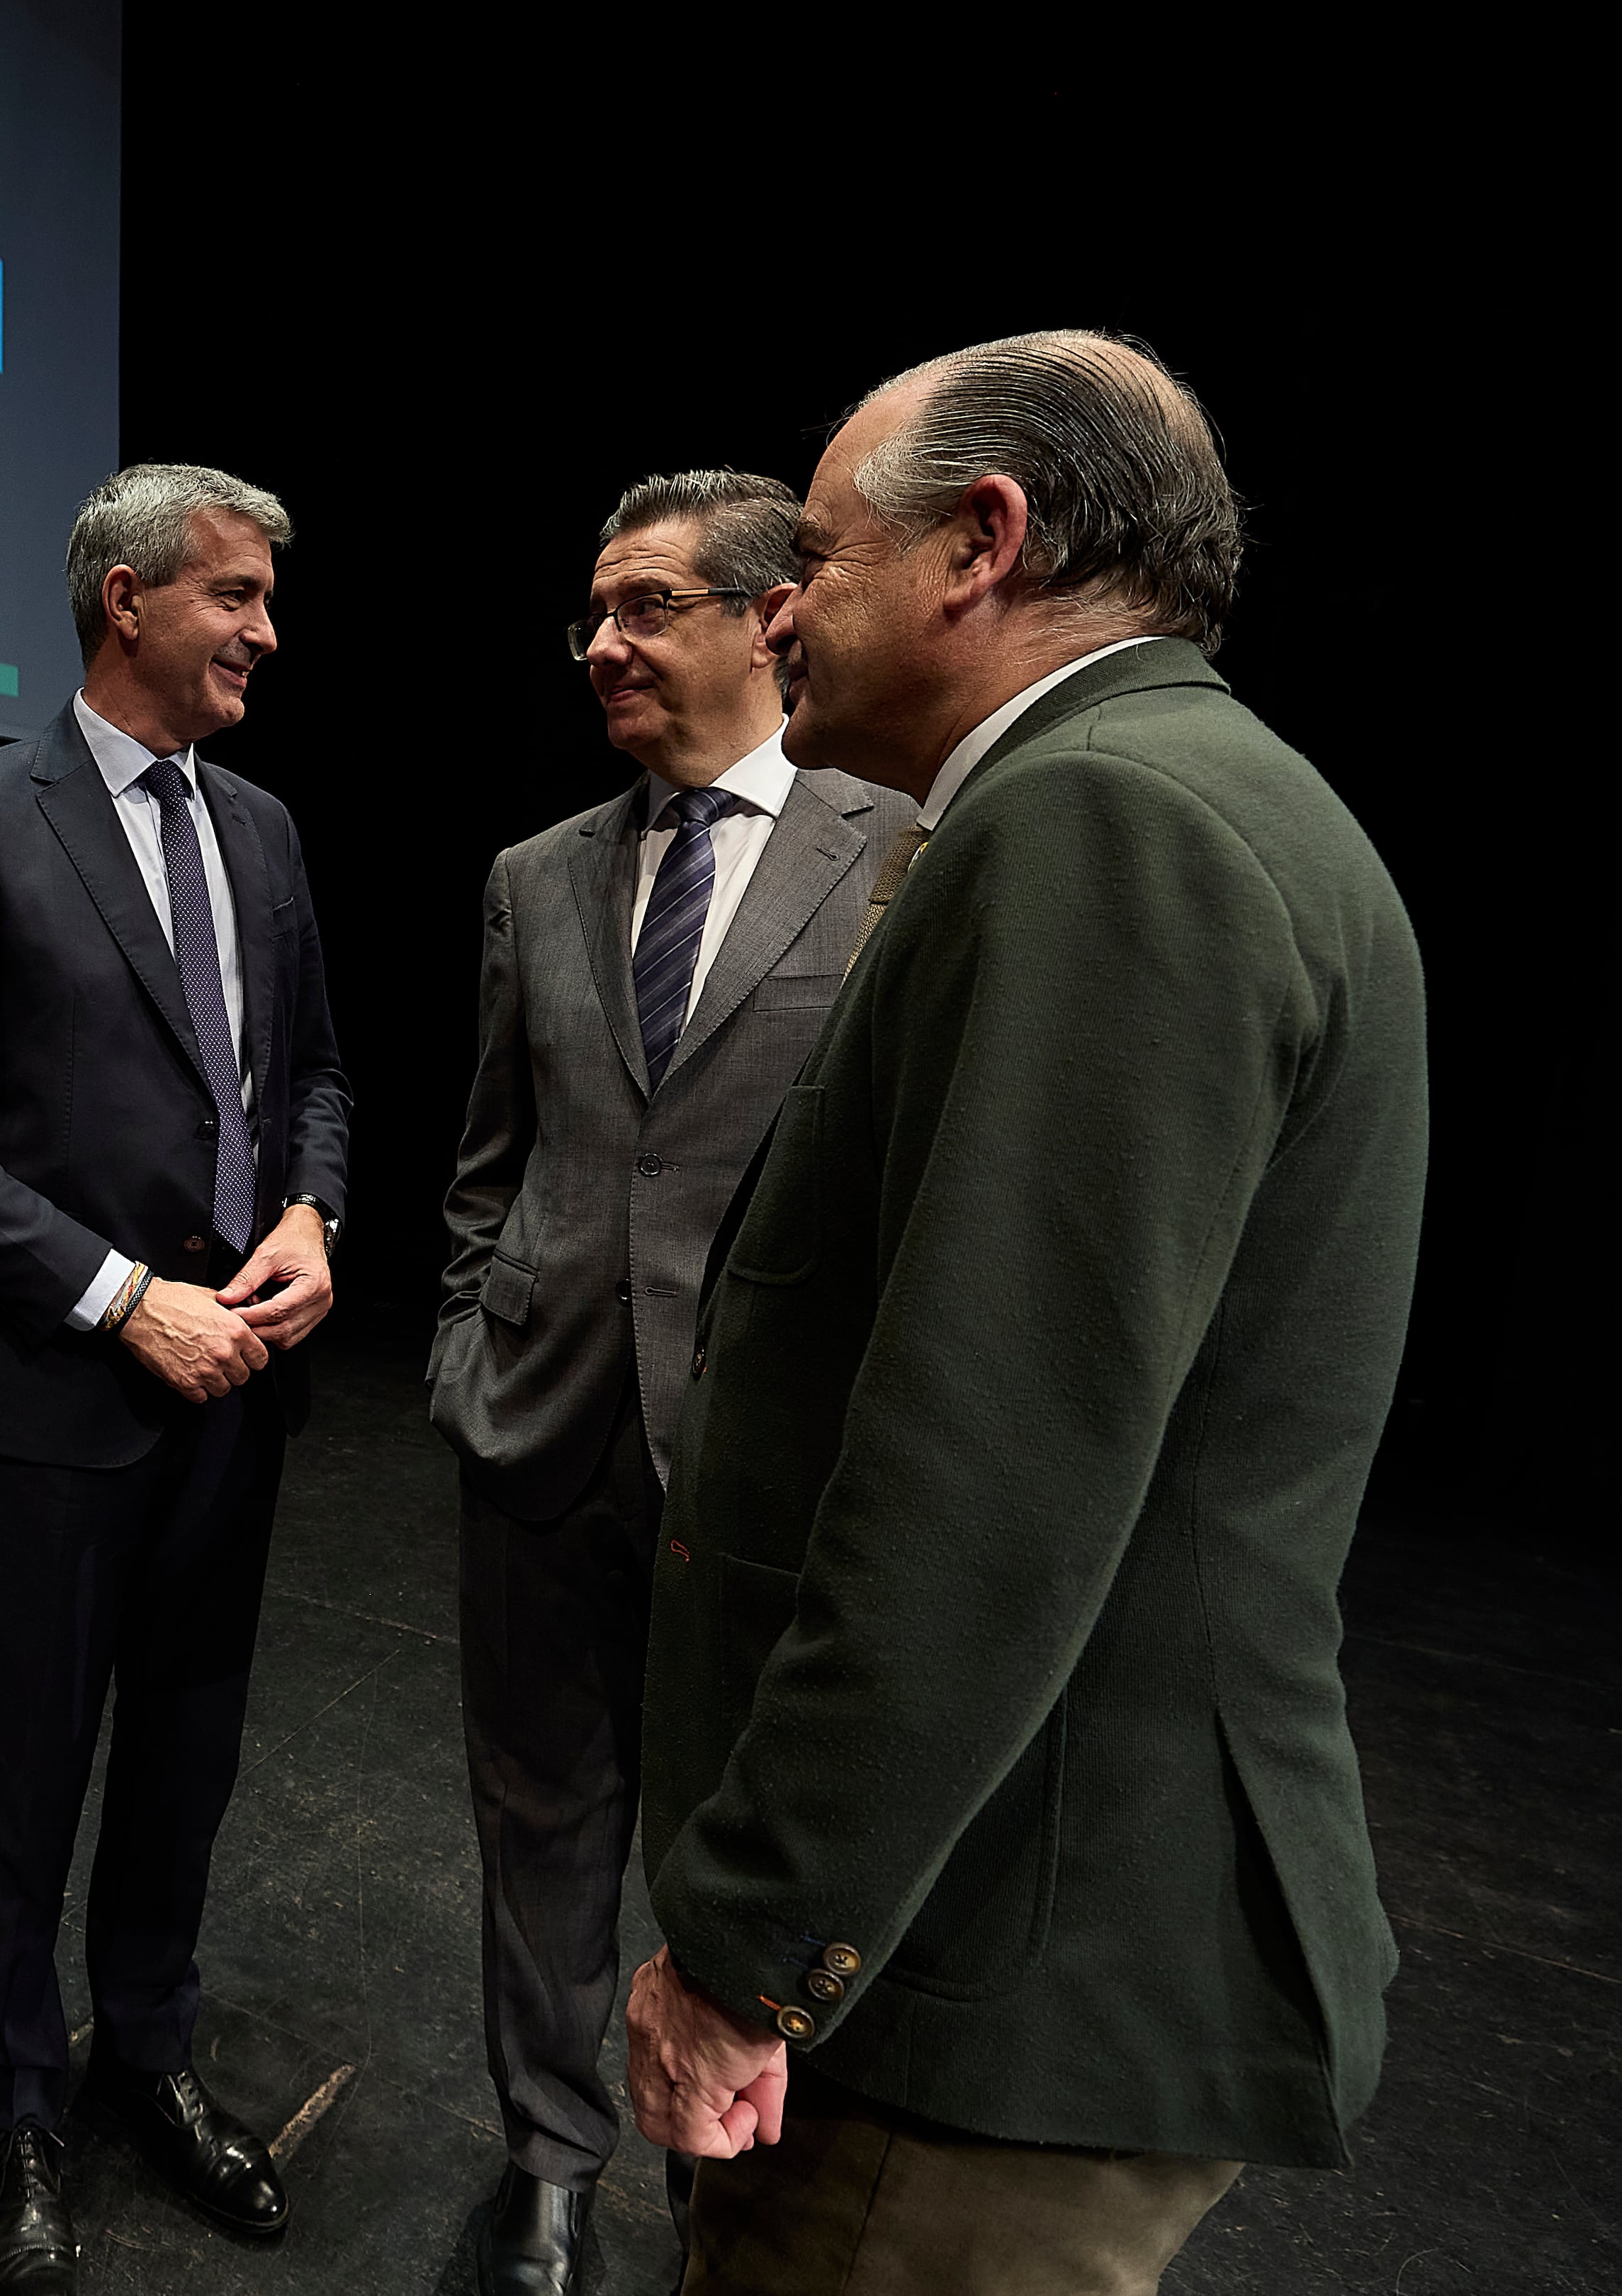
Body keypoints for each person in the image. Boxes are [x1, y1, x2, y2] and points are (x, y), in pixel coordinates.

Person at [628, 332, 1427, 2292]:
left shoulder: (1106, 822)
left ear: (983, 542)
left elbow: (984, 1480)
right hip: (1007, 1931)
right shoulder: (1186, 795)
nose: (778, 610)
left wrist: (750, 1947)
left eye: (820, 555)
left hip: (980, 1979)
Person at [0, 462, 353, 2295]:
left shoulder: (267, 829)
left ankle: (147, 2047)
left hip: (243, 1389)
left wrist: (313, 1212)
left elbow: (315, 1076)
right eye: (236, 593)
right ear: (127, 598)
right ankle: (11, 2106)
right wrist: (124, 1294)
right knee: (29, 1775)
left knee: (186, 1762)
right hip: (61, 1398)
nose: (267, 631)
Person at [427, 471, 913, 2296]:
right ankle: (546, 2163)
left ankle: (733, 2173)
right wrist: (468, 1346)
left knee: (750, 1841)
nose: (602, 645)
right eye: (594, 615)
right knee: (539, 1823)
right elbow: (491, 1157)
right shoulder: (535, 872)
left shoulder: (904, 847)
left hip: (771, 1475)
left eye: (643, 607)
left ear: (767, 619)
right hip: (539, 1433)